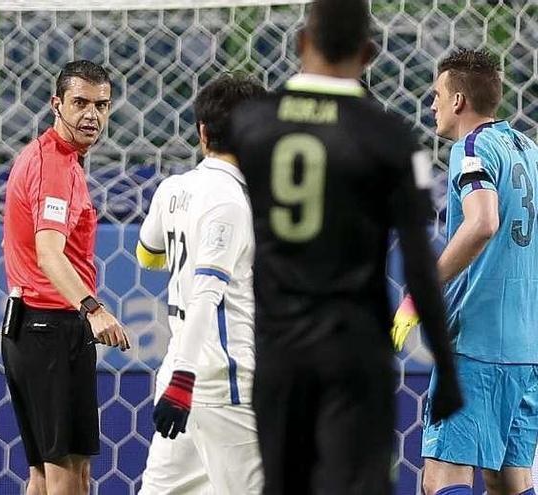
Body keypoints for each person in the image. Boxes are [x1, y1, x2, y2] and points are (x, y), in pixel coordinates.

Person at [228, 0, 463, 493]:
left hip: (279, 351)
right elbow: (420, 260)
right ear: (371, 54)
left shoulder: (250, 125)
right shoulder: (389, 136)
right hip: (354, 351)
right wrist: (444, 361)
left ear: (299, 44)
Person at [391, 48, 538, 495]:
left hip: (478, 346)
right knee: (509, 482)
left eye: (436, 94)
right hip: (526, 348)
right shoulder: (529, 150)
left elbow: (483, 222)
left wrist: (420, 294)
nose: (431, 105)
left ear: (458, 101)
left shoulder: (470, 147)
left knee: (441, 479)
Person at [1, 60, 131, 495]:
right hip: (48, 327)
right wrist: (92, 309)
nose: (91, 115)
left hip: (40, 326)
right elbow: (49, 253)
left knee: (53, 473)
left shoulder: (60, 159)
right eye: (80, 103)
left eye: (102, 105)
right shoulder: (54, 165)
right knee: (65, 476)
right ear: (56, 104)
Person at [136, 73, 265, 495]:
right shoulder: (230, 201)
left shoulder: (173, 188)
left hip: (181, 370)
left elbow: (148, 253)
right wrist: (184, 382)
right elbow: (206, 294)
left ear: (202, 132)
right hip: (223, 382)